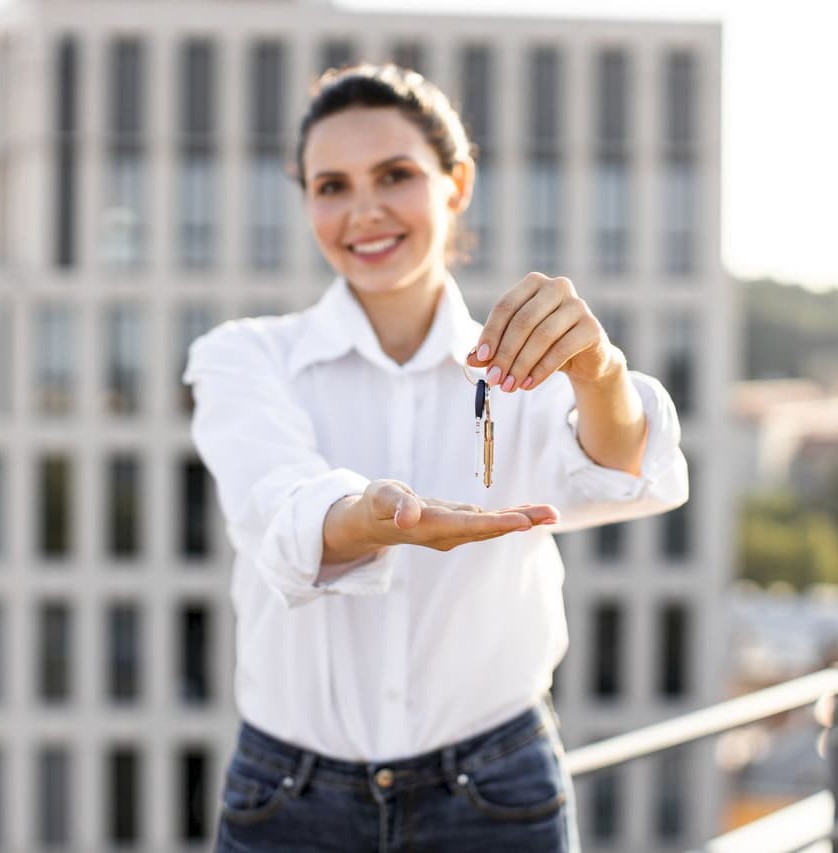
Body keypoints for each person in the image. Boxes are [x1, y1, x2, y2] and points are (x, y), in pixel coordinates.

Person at [184, 63, 688, 853]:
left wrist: (600, 370)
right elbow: (276, 506)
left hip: (496, 788)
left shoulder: (524, 357)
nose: (364, 211)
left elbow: (624, 470)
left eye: (395, 175)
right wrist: (378, 520)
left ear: (456, 184)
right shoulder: (243, 357)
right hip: (290, 798)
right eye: (331, 186)